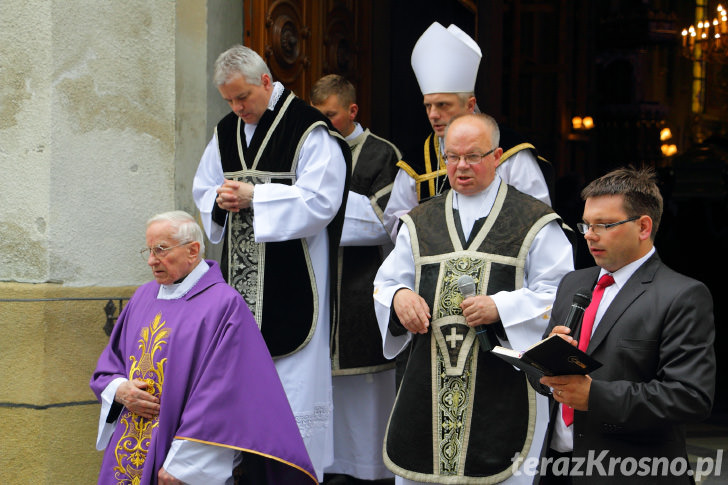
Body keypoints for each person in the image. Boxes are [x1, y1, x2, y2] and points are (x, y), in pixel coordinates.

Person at [373, 113, 574, 484]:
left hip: (504, 388)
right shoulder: (419, 221)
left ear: (497, 156)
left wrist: (502, 306)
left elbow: (559, 295)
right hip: (427, 385)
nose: (461, 166)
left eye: (473, 156)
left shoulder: (536, 221)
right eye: (452, 157)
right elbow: (385, 283)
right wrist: (399, 297)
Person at [192, 45, 351, 481]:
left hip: (294, 287)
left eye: (242, 97)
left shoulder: (308, 130)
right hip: (240, 290)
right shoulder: (225, 131)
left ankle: (293, 473)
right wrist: (220, 200)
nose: (237, 108)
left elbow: (323, 200)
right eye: (228, 100)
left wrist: (256, 196)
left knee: (292, 392)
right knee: (240, 385)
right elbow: (203, 188)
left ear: (267, 81)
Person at [90, 211, 316, 485]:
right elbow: (109, 365)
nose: (151, 260)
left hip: (181, 456)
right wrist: (120, 389)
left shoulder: (223, 305)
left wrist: (185, 466)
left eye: (160, 250)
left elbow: (223, 396)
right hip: (129, 447)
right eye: (148, 250)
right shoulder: (143, 297)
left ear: (192, 250)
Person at [535, 167, 716, 484]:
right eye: (586, 225)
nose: (590, 235)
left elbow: (690, 397)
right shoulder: (573, 284)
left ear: (643, 227)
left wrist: (595, 396)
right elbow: (544, 380)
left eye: (604, 225)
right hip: (559, 468)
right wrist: (545, 361)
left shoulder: (682, 295)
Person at [383, 21, 552, 240]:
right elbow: (394, 221)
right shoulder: (416, 163)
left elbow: (538, 214)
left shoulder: (510, 150)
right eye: (428, 106)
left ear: (470, 105)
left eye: (443, 105)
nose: (433, 114)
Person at [311, 74, 398, 483]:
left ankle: (367, 473)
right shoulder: (307, 150)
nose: (324, 125)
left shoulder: (383, 154)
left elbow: (387, 223)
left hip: (360, 291)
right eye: (317, 117)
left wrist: (315, 211)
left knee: (364, 403)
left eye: (330, 116)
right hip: (315, 292)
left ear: (352, 111)